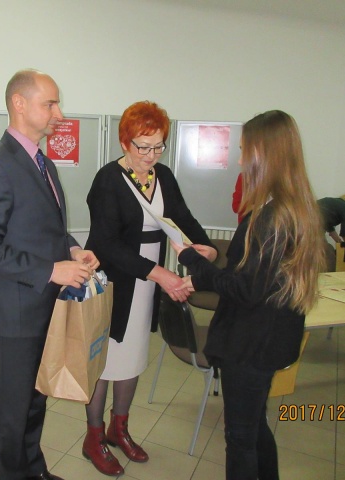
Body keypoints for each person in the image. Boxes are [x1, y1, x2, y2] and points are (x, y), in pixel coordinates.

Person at [172, 110, 325, 480]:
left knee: (240, 437)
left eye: (245, 151)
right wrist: (210, 269)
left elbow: (244, 289)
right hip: (267, 337)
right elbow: (255, 278)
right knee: (255, 427)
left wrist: (192, 259)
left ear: (265, 154)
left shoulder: (271, 217)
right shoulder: (293, 207)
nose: (241, 160)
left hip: (251, 344)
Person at [0, 69, 99, 480]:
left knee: (36, 396)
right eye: (50, 104)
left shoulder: (43, 163)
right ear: (19, 104)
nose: (60, 113)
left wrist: (72, 248)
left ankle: (33, 470)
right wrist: (52, 269)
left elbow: (48, 229)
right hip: (18, 309)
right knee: (14, 406)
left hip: (45, 303)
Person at [82, 101, 217, 476]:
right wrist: (160, 274)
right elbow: (106, 244)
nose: (151, 155)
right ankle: (93, 437)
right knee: (104, 362)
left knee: (134, 355)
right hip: (115, 283)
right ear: (125, 142)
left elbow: (183, 217)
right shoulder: (108, 180)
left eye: (158, 146)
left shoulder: (163, 176)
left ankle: (119, 428)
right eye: (143, 146)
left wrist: (206, 246)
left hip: (147, 285)